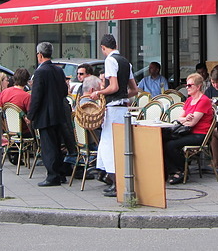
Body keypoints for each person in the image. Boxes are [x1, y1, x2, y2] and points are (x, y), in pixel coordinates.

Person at [88, 34, 138, 197]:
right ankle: (108, 177)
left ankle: (116, 182)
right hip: (123, 108)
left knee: (109, 145)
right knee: (114, 144)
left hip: (114, 108)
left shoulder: (110, 60)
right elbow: (135, 90)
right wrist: (124, 96)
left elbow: (114, 86)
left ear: (103, 47)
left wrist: (99, 93)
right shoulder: (126, 62)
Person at [27, 42, 77, 187]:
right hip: (58, 112)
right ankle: (59, 173)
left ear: (39, 55)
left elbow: (36, 96)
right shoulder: (58, 70)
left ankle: (53, 175)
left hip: (45, 114)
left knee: (48, 146)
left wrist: (31, 115)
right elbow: (63, 91)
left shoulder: (40, 72)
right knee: (57, 144)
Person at [164, 72, 214, 185]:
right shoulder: (189, 100)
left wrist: (186, 119)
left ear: (198, 86)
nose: (187, 88)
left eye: (190, 85)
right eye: (186, 85)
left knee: (170, 145)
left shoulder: (204, 100)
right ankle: (172, 170)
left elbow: (192, 123)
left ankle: (180, 171)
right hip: (188, 132)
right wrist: (186, 118)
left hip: (199, 134)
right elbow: (180, 118)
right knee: (164, 140)